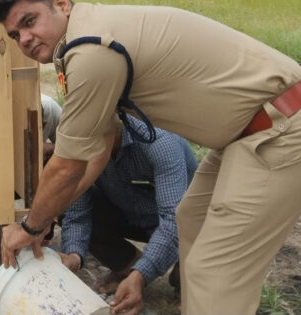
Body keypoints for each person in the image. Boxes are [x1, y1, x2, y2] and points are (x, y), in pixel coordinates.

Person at [0, 0, 301, 314]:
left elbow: (67, 166)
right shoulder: (88, 33)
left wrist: (30, 226)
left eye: (30, 22)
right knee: (192, 219)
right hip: (250, 130)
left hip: (283, 128)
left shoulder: (90, 52)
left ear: (61, 4)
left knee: (213, 269)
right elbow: (100, 145)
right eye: (15, 35)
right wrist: (50, 214)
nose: (25, 39)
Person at [59, 114, 197, 305]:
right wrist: (74, 256)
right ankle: (126, 265)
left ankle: (179, 266)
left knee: (198, 292)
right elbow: (77, 213)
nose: (84, 152)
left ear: (114, 129)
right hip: (131, 214)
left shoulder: (158, 142)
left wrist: (141, 275)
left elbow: (174, 221)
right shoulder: (82, 145)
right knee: (59, 203)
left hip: (187, 224)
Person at [0, 93, 62, 249]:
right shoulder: (4, 116)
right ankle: (1, 225)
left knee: (54, 174)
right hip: (9, 168)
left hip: (38, 168)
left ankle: (45, 227)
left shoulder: (51, 109)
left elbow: (71, 150)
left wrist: (47, 148)